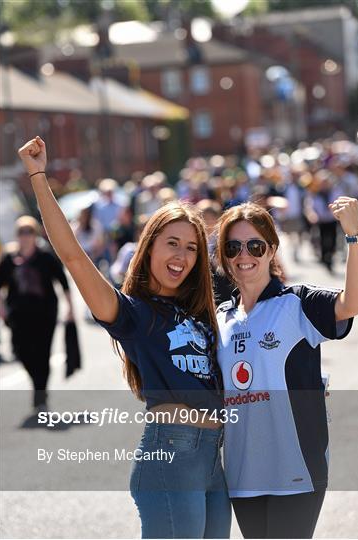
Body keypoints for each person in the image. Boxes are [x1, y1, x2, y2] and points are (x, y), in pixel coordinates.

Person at [17, 136, 231, 539]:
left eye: (190, 248)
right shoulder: (135, 314)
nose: (181, 257)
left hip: (212, 458)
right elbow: (74, 257)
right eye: (171, 244)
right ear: (148, 248)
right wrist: (38, 175)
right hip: (171, 457)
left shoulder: (200, 313)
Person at [215, 200, 358, 539]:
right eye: (233, 247)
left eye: (255, 245)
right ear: (224, 256)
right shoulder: (219, 320)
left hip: (296, 470)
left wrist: (354, 236)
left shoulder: (297, 303)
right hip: (243, 477)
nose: (244, 255)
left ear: (271, 249)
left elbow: (354, 302)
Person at [0, 215, 74, 411]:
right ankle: (37, 384)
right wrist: (1, 309)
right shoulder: (10, 258)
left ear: (35, 234)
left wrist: (70, 308)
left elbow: (63, 283)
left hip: (45, 313)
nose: (25, 236)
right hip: (18, 315)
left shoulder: (45, 256)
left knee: (42, 353)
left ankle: (40, 392)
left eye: (29, 231)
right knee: (21, 352)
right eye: (21, 232)